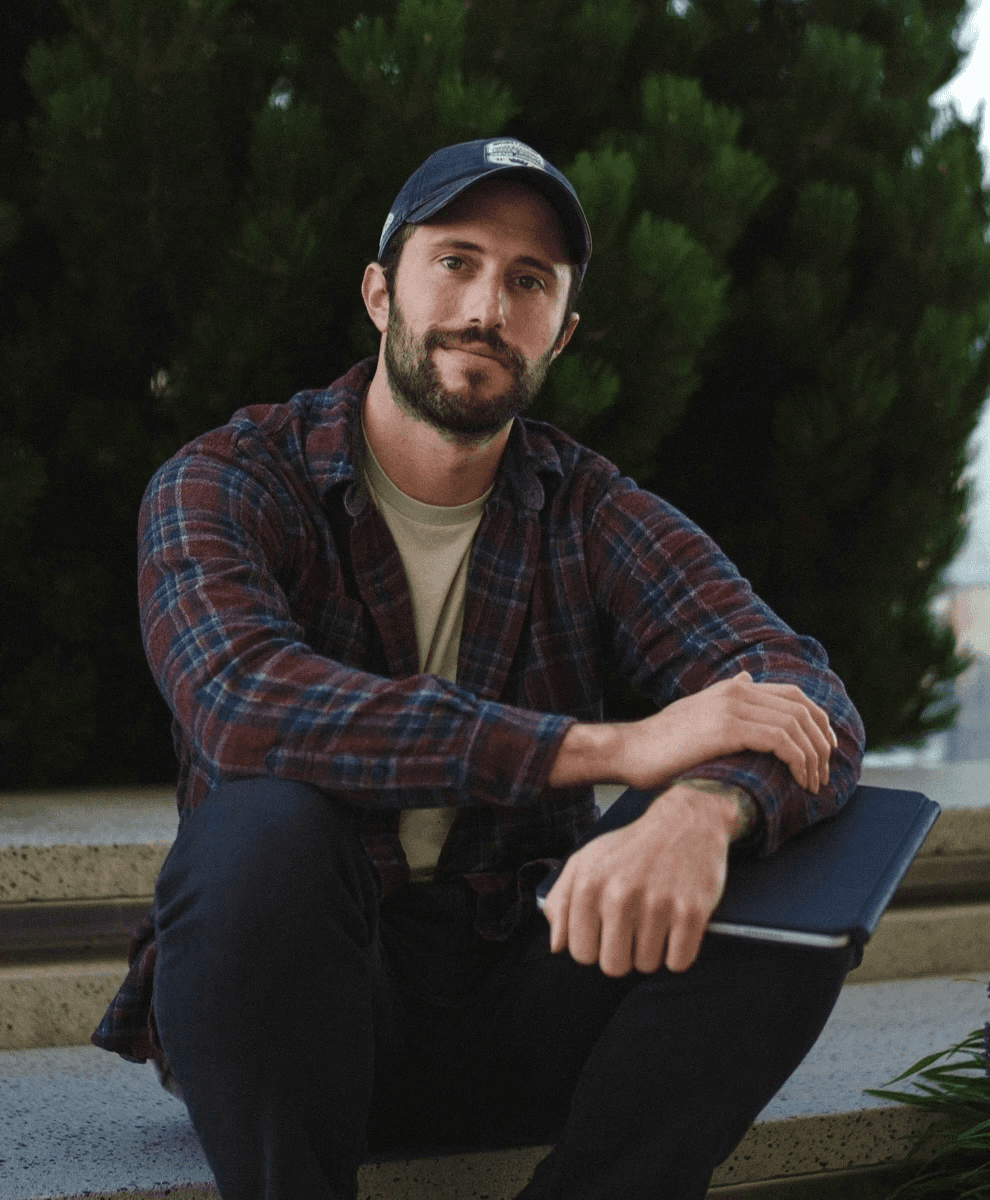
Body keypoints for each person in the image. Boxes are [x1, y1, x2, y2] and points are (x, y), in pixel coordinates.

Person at [93, 137, 865, 1200]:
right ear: (380, 292)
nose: (486, 305)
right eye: (454, 261)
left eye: (527, 281)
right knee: (260, 824)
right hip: (304, 1019)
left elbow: (803, 691)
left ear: (563, 331)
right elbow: (243, 703)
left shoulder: (587, 508)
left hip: (528, 998)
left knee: (812, 854)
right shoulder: (231, 479)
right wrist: (610, 747)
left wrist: (700, 810)